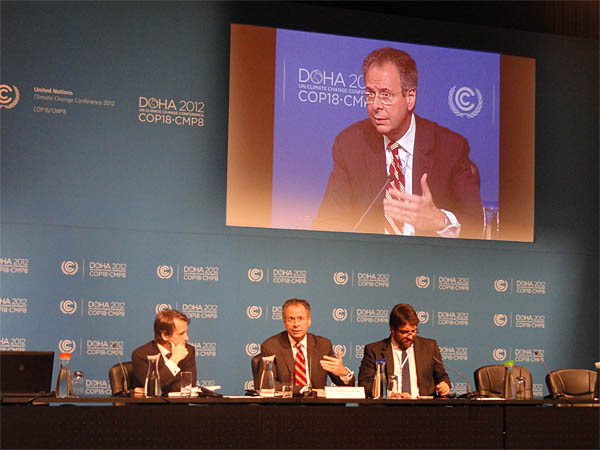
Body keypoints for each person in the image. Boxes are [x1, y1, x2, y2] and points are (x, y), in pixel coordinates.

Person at [313, 47, 483, 239]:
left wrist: (439, 220)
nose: (375, 105)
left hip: (427, 263)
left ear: (410, 98)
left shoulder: (450, 148)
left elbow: (477, 225)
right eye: (370, 94)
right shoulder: (350, 144)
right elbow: (328, 222)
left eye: (385, 95)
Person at [256, 298, 355, 391]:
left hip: (318, 406)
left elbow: (347, 388)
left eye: (301, 319)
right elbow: (267, 384)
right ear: (284, 322)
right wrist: (303, 390)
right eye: (291, 319)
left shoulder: (323, 345)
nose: (296, 324)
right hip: (286, 405)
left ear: (309, 321)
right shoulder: (271, 346)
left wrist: (343, 374)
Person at [358, 303, 451, 398]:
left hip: (424, 408)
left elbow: (442, 377)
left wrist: (444, 385)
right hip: (388, 408)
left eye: (414, 331)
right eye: (405, 332)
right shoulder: (374, 350)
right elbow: (365, 385)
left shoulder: (429, 347)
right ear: (392, 330)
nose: (410, 336)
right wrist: (389, 395)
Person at [132, 309, 197, 394]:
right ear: (165, 335)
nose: (186, 338)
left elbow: (188, 387)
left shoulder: (188, 350)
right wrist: (174, 360)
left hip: (180, 406)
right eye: (181, 334)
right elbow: (152, 389)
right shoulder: (141, 355)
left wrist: (151, 389)